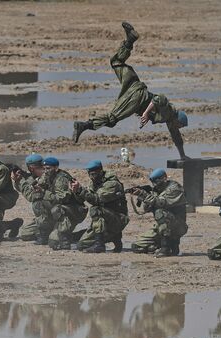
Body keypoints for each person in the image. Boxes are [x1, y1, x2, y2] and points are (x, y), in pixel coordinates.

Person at [72, 22, 189, 160]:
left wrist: (183, 156)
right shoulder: (170, 111)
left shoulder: (170, 121)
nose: (178, 128)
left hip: (135, 85)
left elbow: (177, 138)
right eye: (180, 125)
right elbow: (158, 98)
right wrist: (145, 114)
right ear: (178, 120)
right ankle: (83, 126)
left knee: (116, 62)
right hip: (137, 98)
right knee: (112, 119)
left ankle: (130, 40)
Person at [70, 160, 129, 253]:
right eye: (90, 174)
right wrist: (77, 191)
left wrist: (81, 190)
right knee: (82, 244)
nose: (92, 177)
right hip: (106, 219)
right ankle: (113, 237)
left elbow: (97, 199)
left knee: (96, 209)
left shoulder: (112, 184)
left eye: (94, 174)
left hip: (119, 218)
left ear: (100, 172)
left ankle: (100, 244)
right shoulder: (94, 184)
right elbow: (83, 199)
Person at [31, 157, 88, 250]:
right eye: (44, 168)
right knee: (38, 203)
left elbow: (61, 199)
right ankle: (45, 232)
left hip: (74, 209)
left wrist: (44, 192)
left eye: (48, 168)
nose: (46, 171)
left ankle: (68, 238)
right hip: (62, 209)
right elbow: (38, 186)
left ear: (56, 168)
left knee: (53, 241)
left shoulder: (61, 179)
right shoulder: (47, 175)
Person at [130, 168, 188, 257]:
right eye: (153, 181)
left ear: (164, 178)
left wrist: (144, 194)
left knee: (160, 212)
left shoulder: (175, 188)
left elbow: (161, 203)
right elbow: (147, 209)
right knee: (137, 246)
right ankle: (160, 245)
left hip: (178, 226)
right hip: (161, 228)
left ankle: (166, 247)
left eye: (157, 181)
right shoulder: (156, 190)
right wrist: (143, 196)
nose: (155, 184)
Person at [11, 153, 46, 243]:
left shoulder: (44, 178)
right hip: (46, 215)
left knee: (26, 234)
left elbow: (31, 196)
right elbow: (23, 188)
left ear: (31, 168)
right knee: (26, 233)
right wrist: (18, 180)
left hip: (50, 215)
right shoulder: (37, 176)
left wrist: (21, 180)